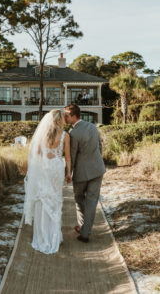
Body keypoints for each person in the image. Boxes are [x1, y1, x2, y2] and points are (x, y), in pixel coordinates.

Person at [24, 109, 71, 254]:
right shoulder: (65, 135)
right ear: (60, 120)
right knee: (55, 201)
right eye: (64, 117)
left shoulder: (42, 134)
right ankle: (54, 236)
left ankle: (42, 235)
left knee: (42, 201)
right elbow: (68, 157)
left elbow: (36, 154)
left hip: (44, 169)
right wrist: (68, 172)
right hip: (57, 169)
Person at [64, 104, 106, 243]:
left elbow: (72, 156)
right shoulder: (93, 127)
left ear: (73, 116)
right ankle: (84, 229)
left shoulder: (73, 133)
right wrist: (98, 162)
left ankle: (84, 230)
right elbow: (100, 147)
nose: (65, 117)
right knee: (92, 201)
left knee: (79, 199)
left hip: (82, 173)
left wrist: (68, 173)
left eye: (66, 115)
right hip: (98, 169)